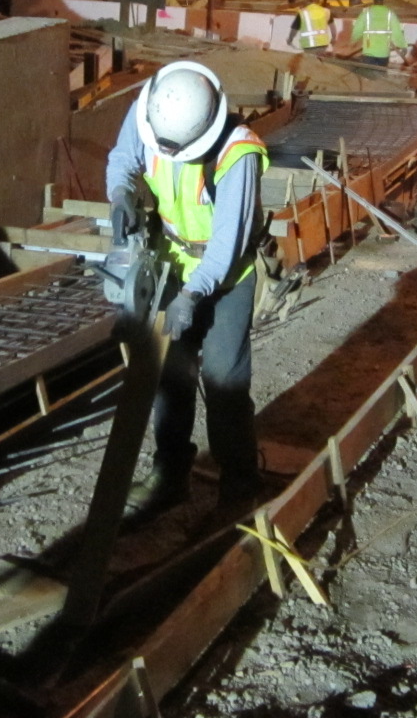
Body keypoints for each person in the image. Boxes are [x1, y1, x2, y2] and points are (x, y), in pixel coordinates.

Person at [105, 61, 269, 519]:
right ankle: (171, 473)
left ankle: (239, 484)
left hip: (224, 276)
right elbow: (123, 157)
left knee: (223, 381)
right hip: (172, 262)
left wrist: (192, 296)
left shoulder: (239, 154)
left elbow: (227, 243)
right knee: (171, 376)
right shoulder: (154, 112)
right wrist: (120, 194)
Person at [354, 0, 407, 67]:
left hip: (369, 52)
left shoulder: (366, 13)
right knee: (381, 74)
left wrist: (352, 44)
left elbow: (357, 30)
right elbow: (397, 33)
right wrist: (403, 45)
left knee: (368, 76)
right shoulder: (390, 13)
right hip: (383, 53)